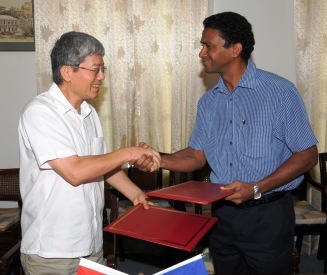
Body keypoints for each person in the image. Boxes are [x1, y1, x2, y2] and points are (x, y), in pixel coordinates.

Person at [138, 12, 318, 275]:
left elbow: (307, 154)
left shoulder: (279, 92)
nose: (201, 53)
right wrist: (159, 159)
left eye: (208, 45)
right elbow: (196, 155)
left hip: (268, 215)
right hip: (222, 215)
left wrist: (256, 188)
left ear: (235, 49)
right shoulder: (209, 102)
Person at [18, 31, 160, 275]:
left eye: (103, 69)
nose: (101, 77)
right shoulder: (40, 113)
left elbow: (102, 166)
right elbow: (75, 171)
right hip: (53, 251)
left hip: (91, 245)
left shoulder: (89, 113)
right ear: (67, 72)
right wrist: (128, 152)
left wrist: (136, 194)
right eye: (95, 69)